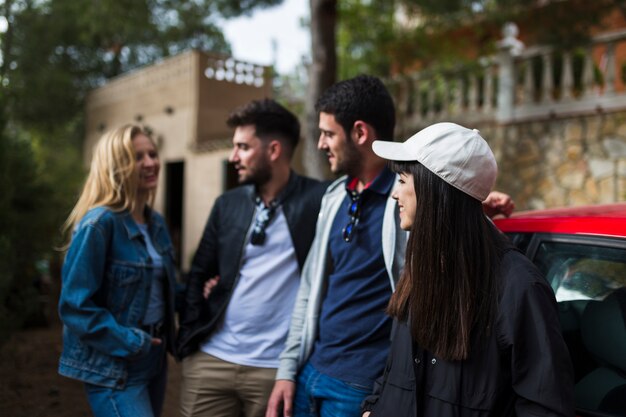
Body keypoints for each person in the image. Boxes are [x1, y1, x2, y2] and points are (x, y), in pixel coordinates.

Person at [266, 75, 515, 417]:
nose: (321, 144)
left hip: (361, 387)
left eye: (328, 133)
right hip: (311, 373)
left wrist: (475, 203)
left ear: (359, 132)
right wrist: (288, 370)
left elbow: (455, 224)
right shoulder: (334, 197)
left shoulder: (412, 203)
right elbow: (309, 290)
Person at [361, 122, 574, 416]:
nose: (395, 194)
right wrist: (372, 407)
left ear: (435, 190)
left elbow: (544, 406)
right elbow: (394, 369)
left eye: (402, 180)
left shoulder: (518, 287)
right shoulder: (419, 266)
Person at [176, 99, 328, 417]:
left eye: (243, 147)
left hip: (275, 371)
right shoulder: (226, 205)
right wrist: (190, 340)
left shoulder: (320, 201)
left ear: (273, 151)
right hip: (211, 363)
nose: (234, 157)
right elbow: (198, 275)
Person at [58, 125, 178, 417]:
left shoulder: (155, 222)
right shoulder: (99, 224)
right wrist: (131, 341)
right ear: (116, 166)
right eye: (138, 157)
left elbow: (158, 289)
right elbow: (74, 306)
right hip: (116, 364)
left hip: (155, 356)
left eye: (152, 153)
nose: (151, 162)